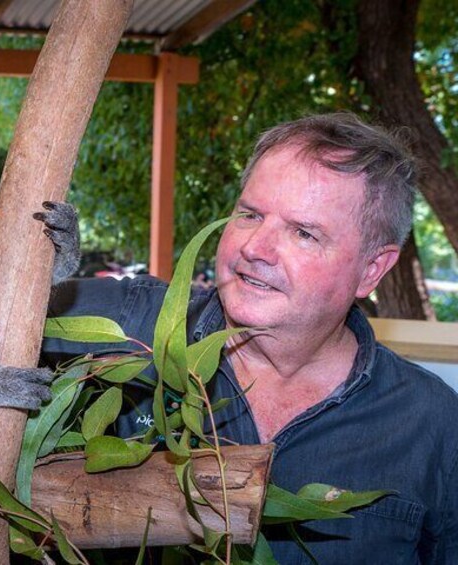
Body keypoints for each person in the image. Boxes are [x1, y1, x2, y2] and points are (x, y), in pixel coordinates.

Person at [42, 113, 458, 563]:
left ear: (372, 269)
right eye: (249, 214)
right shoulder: (127, 326)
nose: (254, 248)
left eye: (303, 232)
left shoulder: (435, 428)